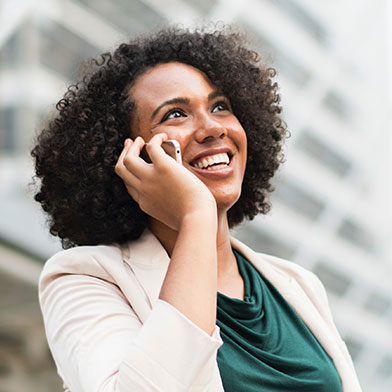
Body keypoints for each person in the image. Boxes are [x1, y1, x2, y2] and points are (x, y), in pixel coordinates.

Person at [32, 26, 362, 391]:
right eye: (175, 114)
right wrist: (196, 215)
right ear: (130, 156)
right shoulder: (84, 279)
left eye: (220, 107)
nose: (211, 128)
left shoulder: (298, 284)